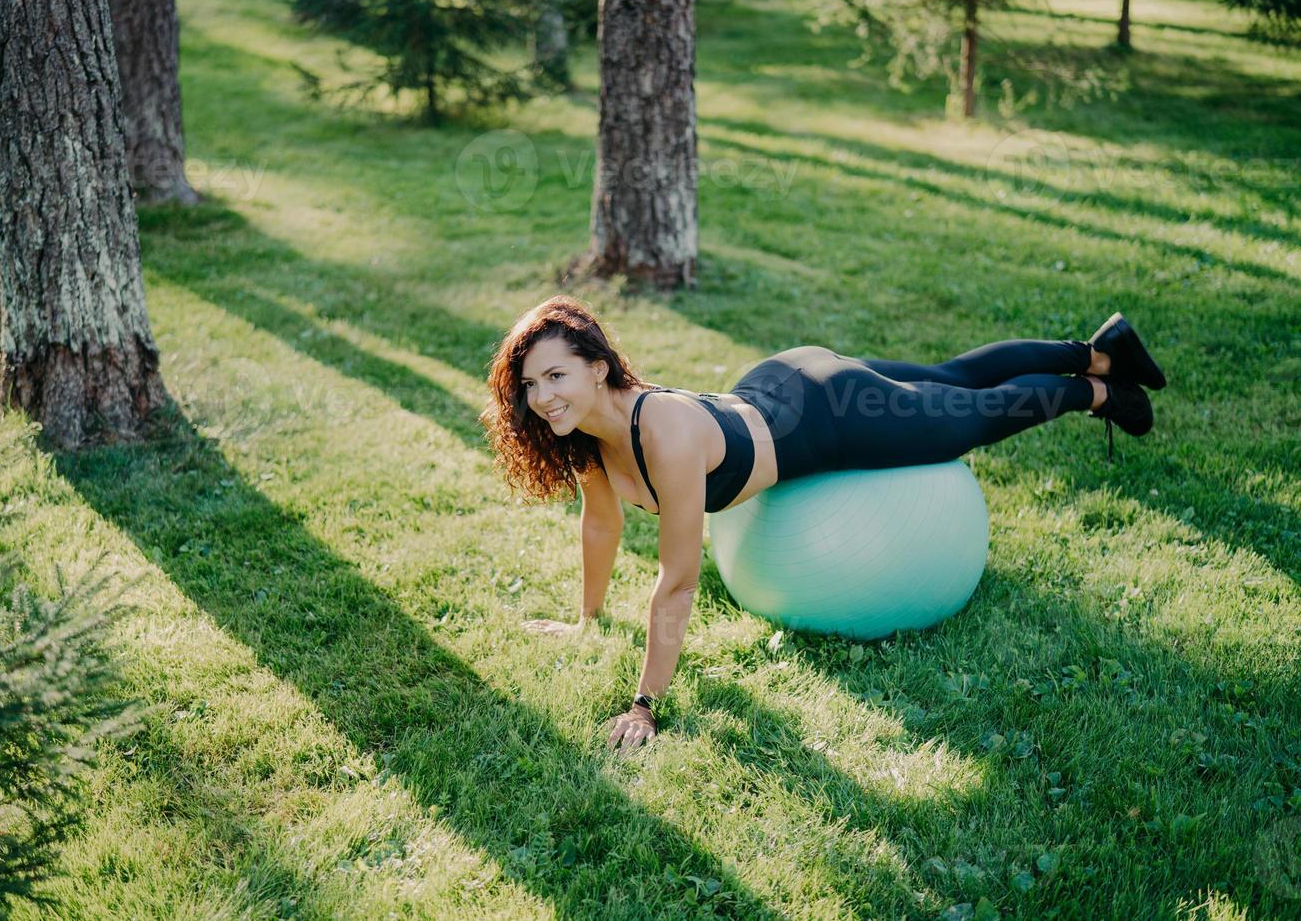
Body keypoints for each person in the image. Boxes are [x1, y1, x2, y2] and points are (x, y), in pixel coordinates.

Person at [479, 296, 1167, 752]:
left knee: (972, 414)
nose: (542, 399)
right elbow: (600, 527)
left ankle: (1096, 387)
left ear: (598, 368)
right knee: (946, 375)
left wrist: (644, 705)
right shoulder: (589, 441)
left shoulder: (663, 432)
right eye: (530, 386)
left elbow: (678, 581)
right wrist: (586, 619)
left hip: (834, 413)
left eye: (556, 376)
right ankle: (1100, 348)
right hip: (778, 381)